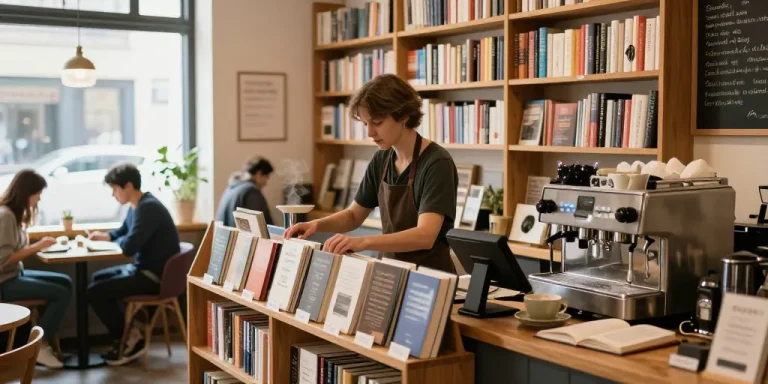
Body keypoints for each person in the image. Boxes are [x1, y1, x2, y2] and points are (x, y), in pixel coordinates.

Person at [284, 74, 458, 273]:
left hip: (431, 278)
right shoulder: (382, 159)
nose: (370, 132)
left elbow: (425, 236)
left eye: (377, 122)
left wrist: (364, 241)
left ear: (403, 115)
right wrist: (315, 225)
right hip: (390, 271)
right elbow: (353, 216)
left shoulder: (437, 163)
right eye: (366, 124)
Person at [87, 163, 180, 366]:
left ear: (128, 186)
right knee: (97, 279)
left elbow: (129, 247)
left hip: (152, 277)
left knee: (95, 292)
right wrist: (106, 236)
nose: (113, 194)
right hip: (142, 269)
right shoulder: (138, 205)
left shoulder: (148, 209)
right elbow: (123, 232)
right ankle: (132, 330)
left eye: (115, 189)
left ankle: (132, 338)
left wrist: (116, 240)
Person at [0, 169, 71, 368]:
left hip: (15, 274)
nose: (39, 197)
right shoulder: (5, 216)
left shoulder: (15, 215)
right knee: (60, 293)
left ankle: (40, 338)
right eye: (37, 192)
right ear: (25, 192)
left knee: (66, 282)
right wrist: (36, 247)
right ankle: (39, 344)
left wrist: (31, 240)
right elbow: (4, 260)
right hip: (5, 281)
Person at [215, 157, 274, 226]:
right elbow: (256, 227)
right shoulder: (251, 192)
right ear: (259, 174)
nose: (265, 183)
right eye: (266, 178)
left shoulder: (231, 188)